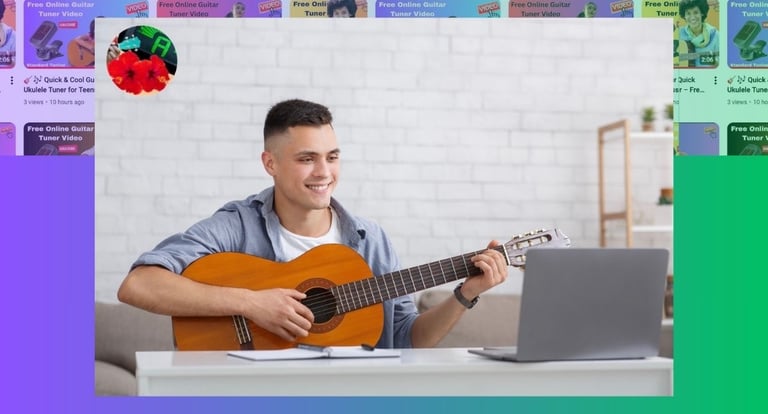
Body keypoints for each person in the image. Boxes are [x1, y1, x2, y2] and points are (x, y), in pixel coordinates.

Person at [117, 99, 508, 348]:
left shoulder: (369, 239)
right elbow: (138, 284)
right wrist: (251, 303)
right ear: (270, 163)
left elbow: (406, 339)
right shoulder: (236, 226)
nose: (324, 172)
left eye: (332, 156)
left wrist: (465, 294)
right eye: (307, 158)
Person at [677, 0, 718, 67]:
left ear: (702, 13)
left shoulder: (715, 35)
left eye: (696, 12)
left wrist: (715, 62)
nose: (692, 17)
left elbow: (720, 64)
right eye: (688, 13)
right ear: (684, 16)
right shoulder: (679, 33)